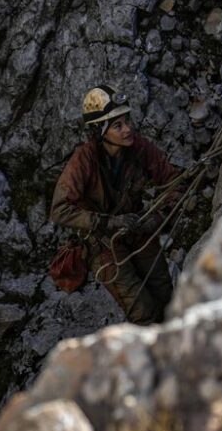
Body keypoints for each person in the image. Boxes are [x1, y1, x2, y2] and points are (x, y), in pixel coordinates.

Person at [50, 84, 180, 324]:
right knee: (142, 310)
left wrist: (158, 217)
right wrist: (108, 222)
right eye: (118, 126)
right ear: (101, 131)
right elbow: (60, 210)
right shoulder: (85, 159)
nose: (127, 129)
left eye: (127, 121)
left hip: (137, 229)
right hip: (102, 242)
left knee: (166, 296)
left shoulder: (138, 148)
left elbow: (173, 182)